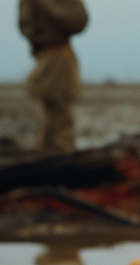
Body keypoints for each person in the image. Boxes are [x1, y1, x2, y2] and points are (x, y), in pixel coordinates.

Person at [18, 0, 88, 154]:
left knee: (57, 113)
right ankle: (58, 160)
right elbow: (76, 20)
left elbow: (77, 20)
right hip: (53, 55)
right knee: (58, 113)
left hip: (55, 54)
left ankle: (53, 158)